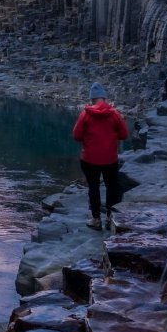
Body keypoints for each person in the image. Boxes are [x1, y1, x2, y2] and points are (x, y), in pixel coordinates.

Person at [72, 83, 129, 230]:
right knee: (111, 187)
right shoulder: (115, 114)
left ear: (92, 99)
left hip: (89, 159)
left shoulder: (85, 114)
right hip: (110, 159)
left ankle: (96, 219)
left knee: (93, 187)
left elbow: (76, 135)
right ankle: (110, 218)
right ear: (104, 98)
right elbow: (124, 135)